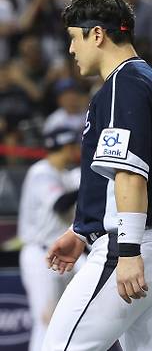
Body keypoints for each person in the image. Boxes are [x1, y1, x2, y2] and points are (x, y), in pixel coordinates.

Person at [42, 0, 152, 350]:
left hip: (138, 243)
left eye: (74, 38)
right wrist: (81, 231)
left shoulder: (122, 84)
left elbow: (130, 174)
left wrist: (128, 251)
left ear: (97, 34)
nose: (71, 50)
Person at [18, 127, 80, 351]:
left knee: (61, 321)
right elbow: (60, 204)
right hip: (39, 253)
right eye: (72, 146)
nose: (75, 151)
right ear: (65, 147)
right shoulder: (41, 172)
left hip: (59, 255)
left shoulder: (66, 175)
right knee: (46, 319)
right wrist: (87, 188)